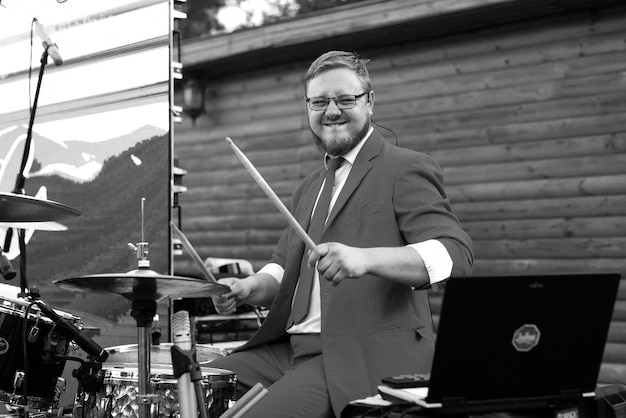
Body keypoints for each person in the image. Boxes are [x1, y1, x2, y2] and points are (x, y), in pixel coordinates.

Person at [209, 50, 473, 418]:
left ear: (369, 102)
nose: (331, 110)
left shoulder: (404, 168)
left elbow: (454, 255)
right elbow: (286, 268)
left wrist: (365, 259)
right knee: (191, 385)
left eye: (345, 99)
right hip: (287, 350)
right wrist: (252, 287)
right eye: (319, 101)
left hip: (356, 354)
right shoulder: (310, 187)